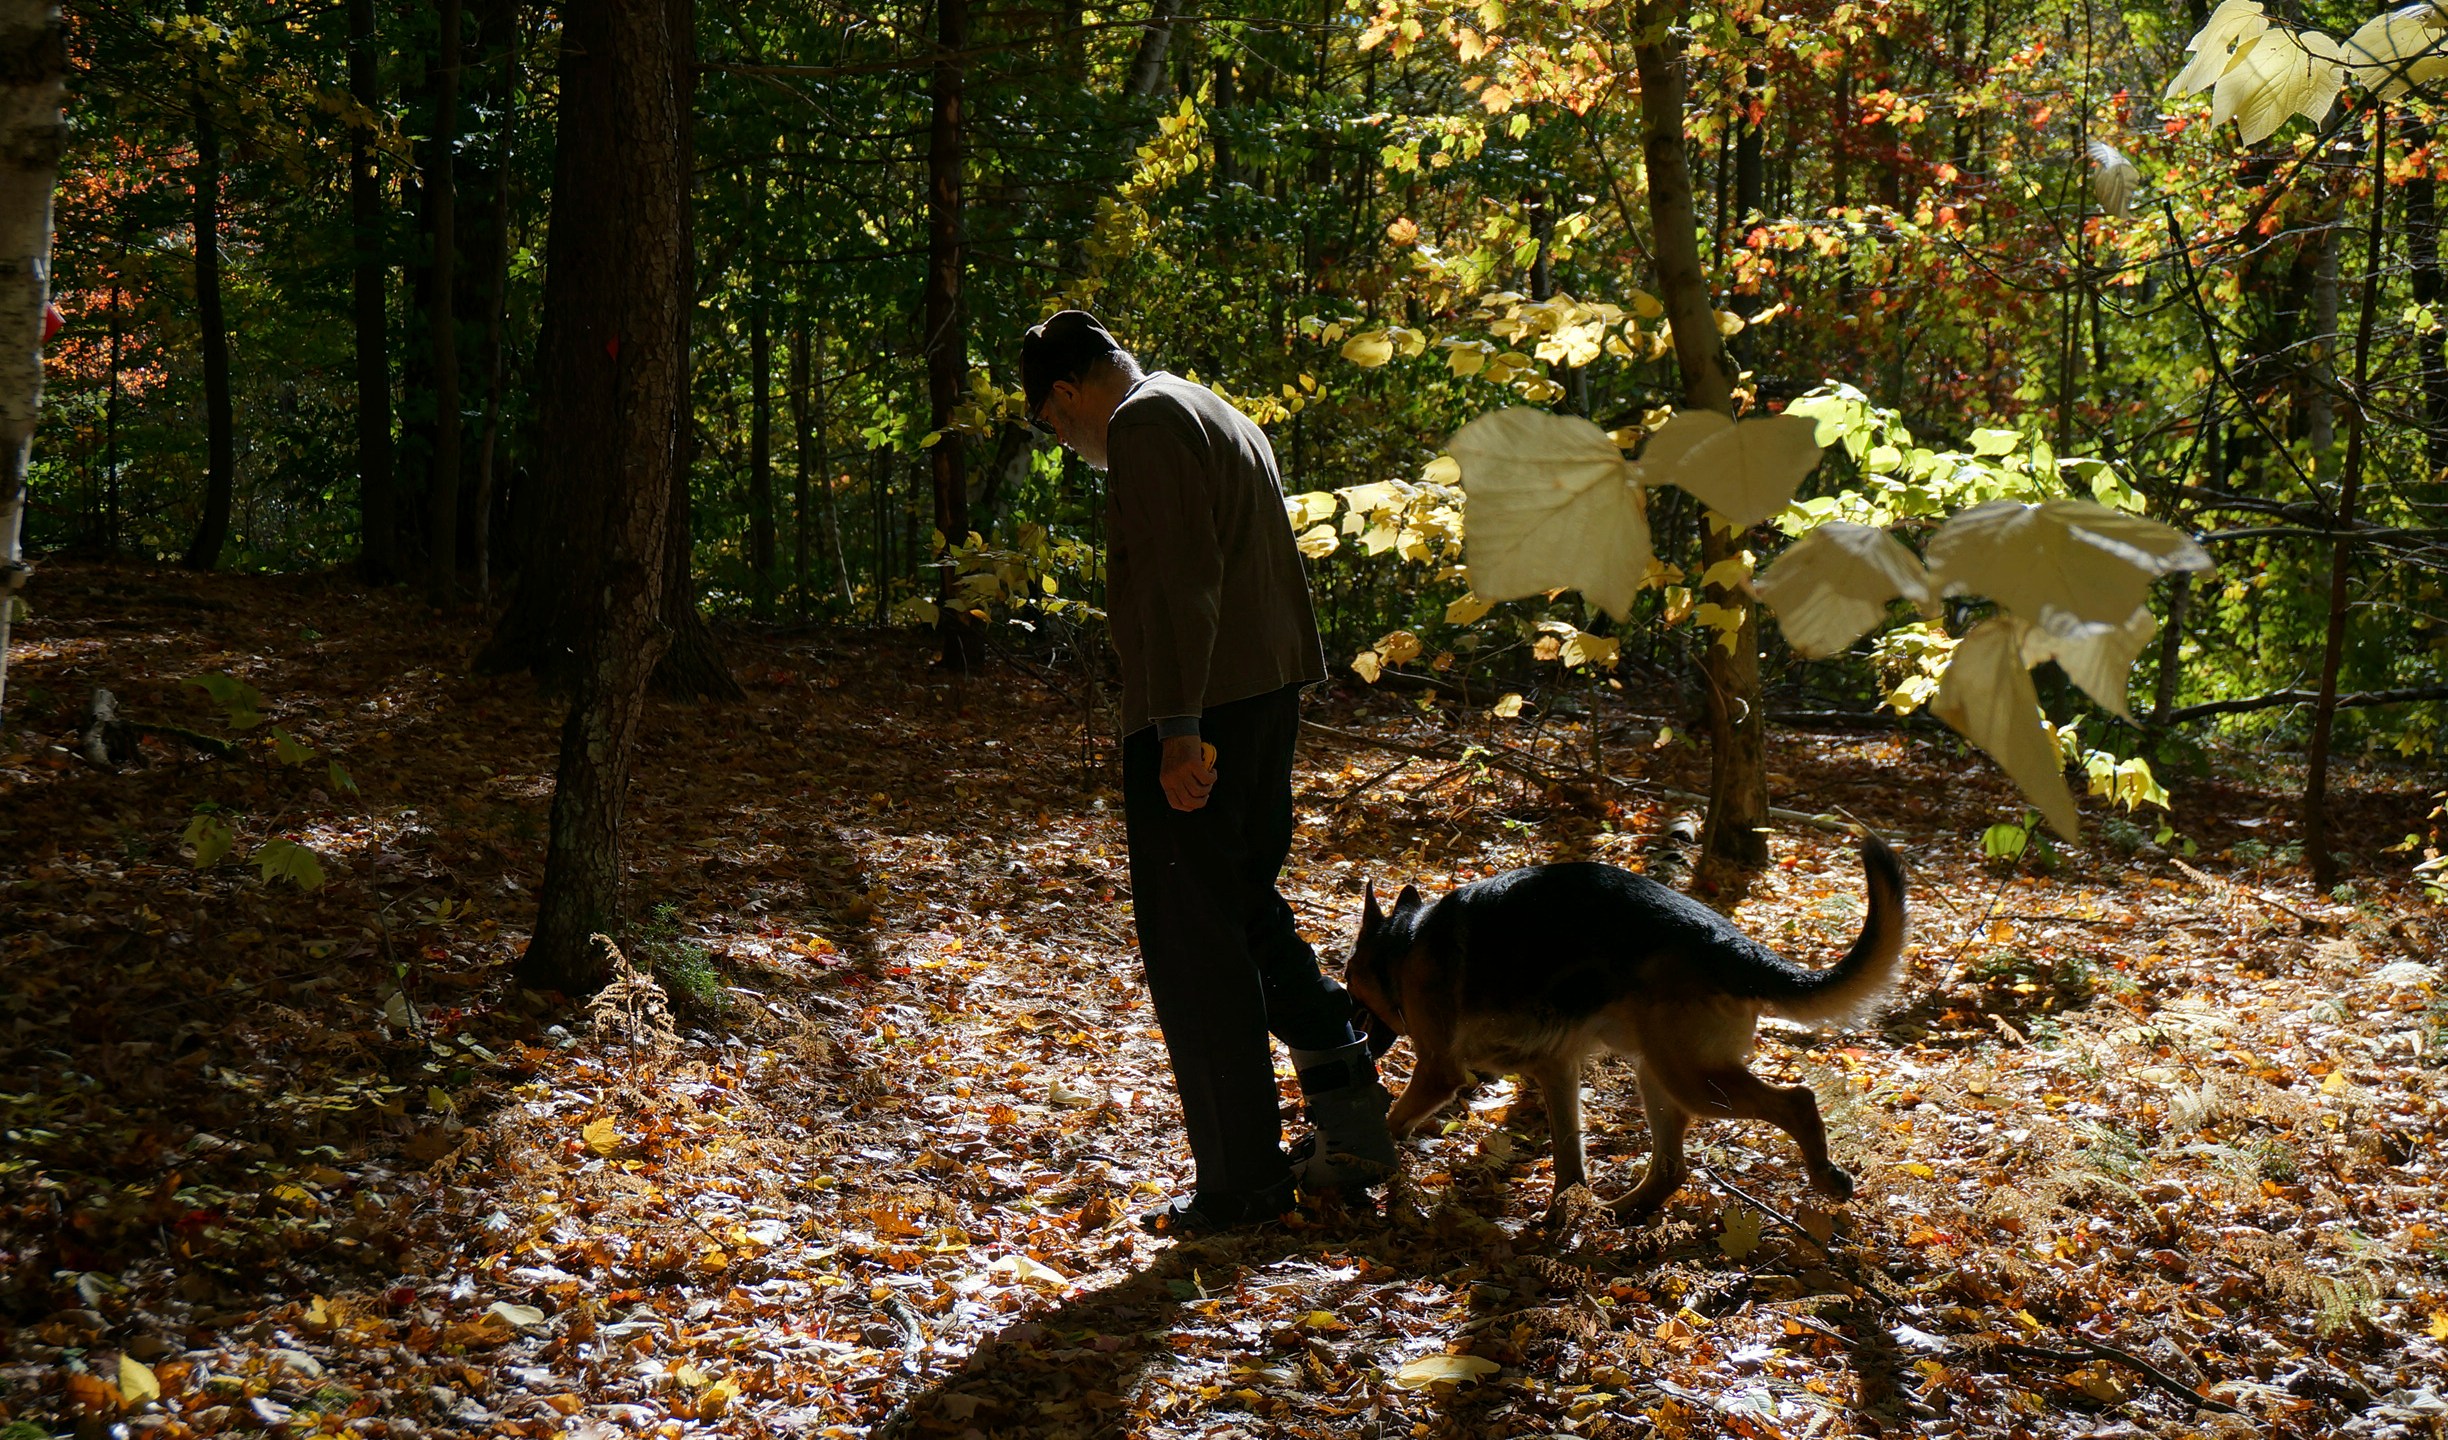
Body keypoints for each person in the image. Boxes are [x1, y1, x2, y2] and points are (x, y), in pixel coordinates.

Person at [1020, 310, 1399, 1235]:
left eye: (1051, 424)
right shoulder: (1210, 406)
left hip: (1203, 712)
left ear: (1067, 394)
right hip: (1264, 696)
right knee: (1239, 906)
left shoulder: (1147, 423)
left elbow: (1182, 582)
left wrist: (1178, 730)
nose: (1066, 444)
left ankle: (1242, 1181)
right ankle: (1340, 1069)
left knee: (1196, 950)